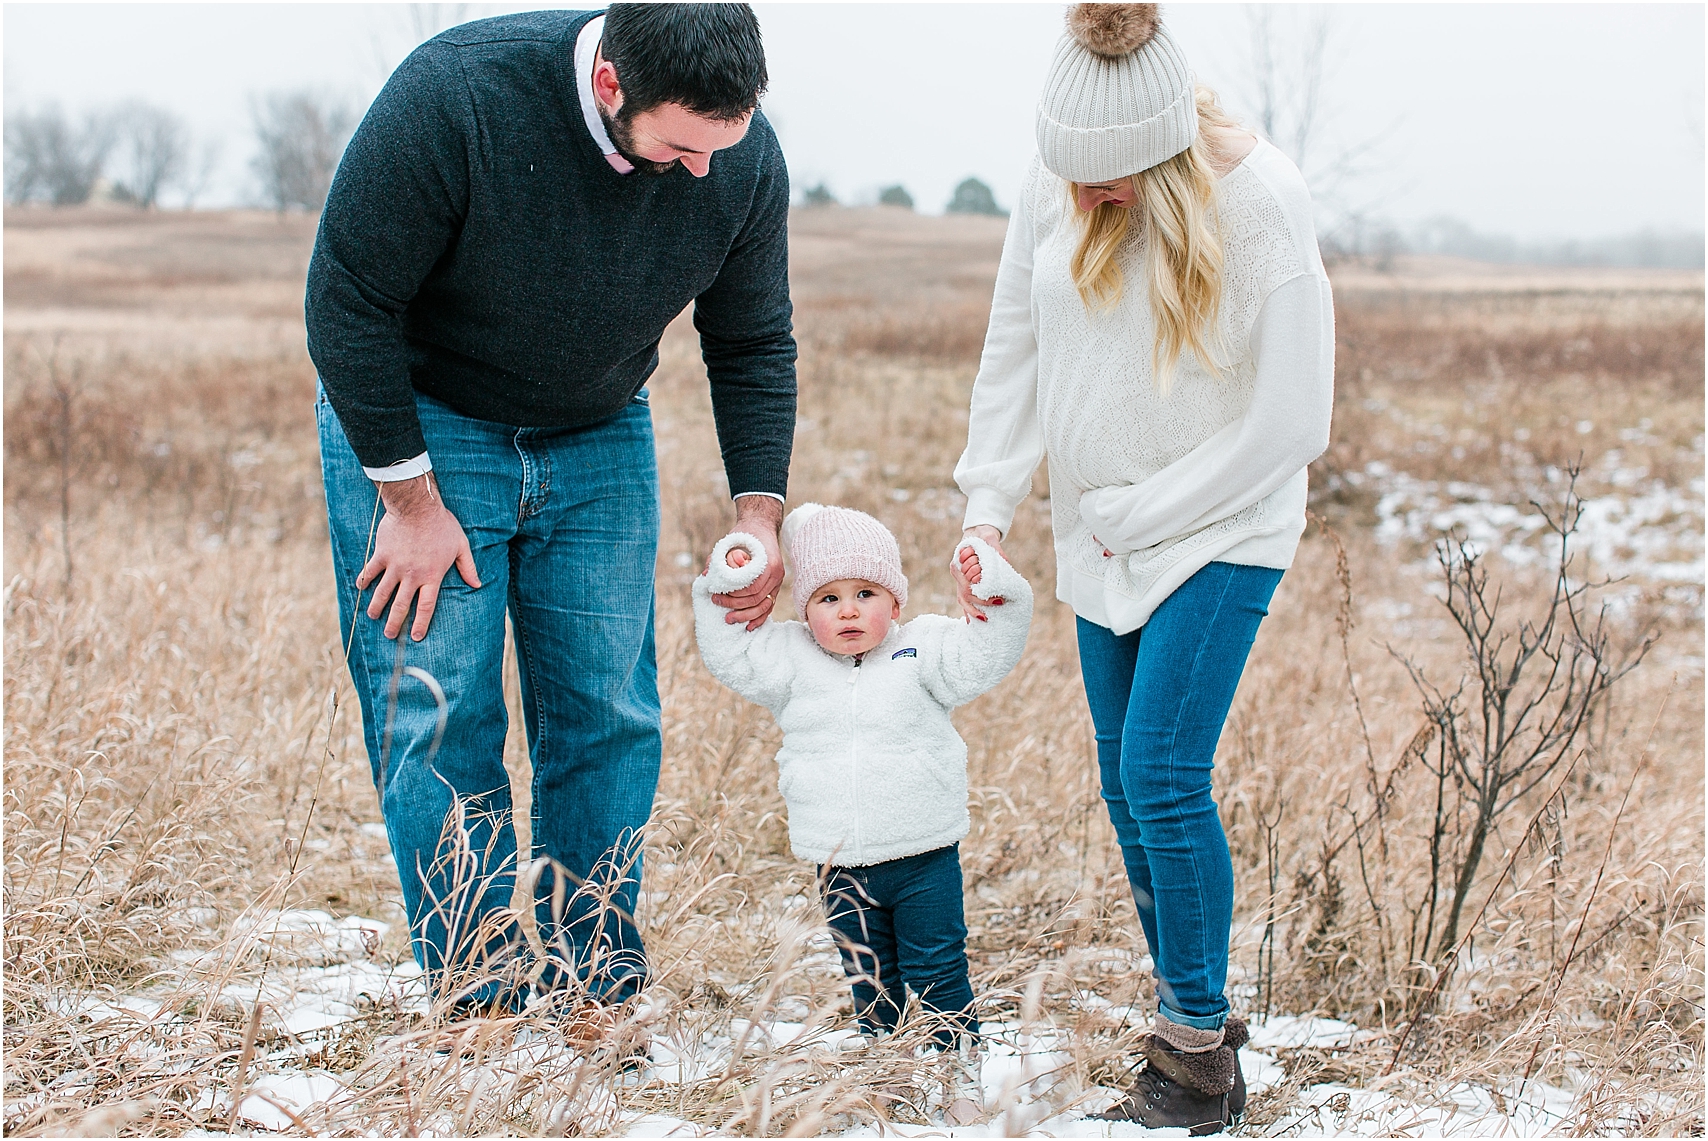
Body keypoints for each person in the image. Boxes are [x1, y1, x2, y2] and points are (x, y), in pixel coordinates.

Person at [306, 4, 796, 1019]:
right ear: (612, 87)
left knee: (606, 711)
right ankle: (479, 995)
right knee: (439, 711)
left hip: (600, 429)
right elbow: (346, 299)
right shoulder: (456, 96)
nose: (705, 171)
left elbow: (751, 341)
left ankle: (594, 982)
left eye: (724, 145)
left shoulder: (738, 157)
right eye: (680, 148)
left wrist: (761, 509)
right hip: (427, 426)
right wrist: (408, 500)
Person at [952, 3, 1333, 1133]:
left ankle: (1190, 1055)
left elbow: (1293, 421)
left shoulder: (1262, 200)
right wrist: (988, 504)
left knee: (1164, 770)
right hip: (1102, 536)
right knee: (1124, 784)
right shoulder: (1056, 176)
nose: (1077, 201)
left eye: (1104, 184)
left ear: (1160, 158)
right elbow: (1012, 340)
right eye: (1066, 176)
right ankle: (1198, 1019)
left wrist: (1145, 511)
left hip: (1221, 530)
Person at [691, 505, 1031, 1072]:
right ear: (805, 610)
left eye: (866, 594)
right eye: (828, 598)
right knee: (869, 977)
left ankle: (958, 1069)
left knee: (938, 970)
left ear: (895, 602)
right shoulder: (791, 659)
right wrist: (731, 577)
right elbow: (731, 650)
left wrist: (996, 591)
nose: (848, 610)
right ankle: (886, 1068)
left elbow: (985, 653)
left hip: (923, 856)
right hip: (838, 861)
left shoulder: (923, 650)